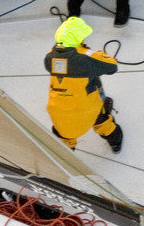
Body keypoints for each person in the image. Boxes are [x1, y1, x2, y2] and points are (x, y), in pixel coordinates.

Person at [44, 16, 122, 153]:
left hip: (58, 116)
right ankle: (115, 143)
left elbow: (66, 61)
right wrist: (92, 52)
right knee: (103, 120)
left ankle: (66, 157)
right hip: (86, 113)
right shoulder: (86, 56)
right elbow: (112, 67)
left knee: (63, 139)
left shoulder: (49, 57)